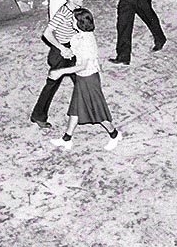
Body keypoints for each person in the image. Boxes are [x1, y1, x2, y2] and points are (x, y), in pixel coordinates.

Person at [48, 8, 122, 151]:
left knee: (97, 110)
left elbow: (82, 66)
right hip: (82, 79)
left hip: (89, 79)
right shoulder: (78, 36)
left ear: (79, 23)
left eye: (73, 20)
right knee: (75, 109)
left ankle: (115, 134)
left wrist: (60, 72)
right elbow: (76, 55)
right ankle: (67, 139)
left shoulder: (87, 41)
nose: (71, 21)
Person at [31, 0, 83, 129]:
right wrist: (61, 48)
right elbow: (47, 33)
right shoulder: (63, 12)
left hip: (71, 50)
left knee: (82, 80)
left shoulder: (77, 9)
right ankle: (38, 116)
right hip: (61, 53)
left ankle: (88, 109)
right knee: (53, 84)